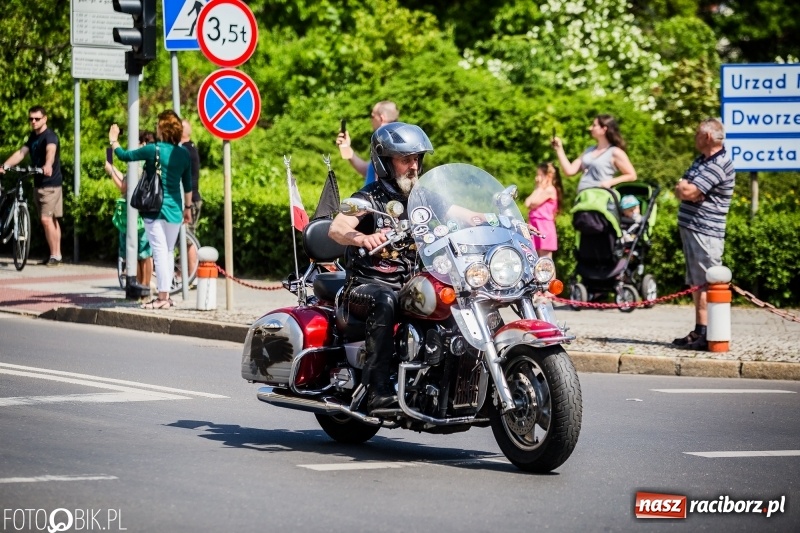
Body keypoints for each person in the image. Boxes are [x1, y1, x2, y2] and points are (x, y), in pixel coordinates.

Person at [328, 122, 433, 413]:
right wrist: (361, 236)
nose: (413, 166)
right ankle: (376, 390)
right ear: (385, 163)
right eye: (405, 159)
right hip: (365, 287)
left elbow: (457, 212)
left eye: (416, 159)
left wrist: (488, 218)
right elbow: (337, 228)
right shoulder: (369, 198)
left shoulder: (423, 197)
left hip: (412, 285)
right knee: (386, 301)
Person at [109, 110, 192, 310]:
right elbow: (187, 185)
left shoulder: (153, 149)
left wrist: (113, 140)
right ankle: (166, 296)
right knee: (169, 251)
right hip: (174, 209)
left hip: (154, 208)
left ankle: (163, 297)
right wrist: (187, 209)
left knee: (159, 251)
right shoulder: (184, 153)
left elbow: (125, 156)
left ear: (162, 129)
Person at [672, 118, 735, 351]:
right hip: (693, 227)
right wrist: (686, 188)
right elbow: (683, 187)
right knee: (696, 282)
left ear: (707, 137)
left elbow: (689, 190)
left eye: (697, 133)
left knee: (707, 282)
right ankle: (700, 329)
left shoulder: (719, 163)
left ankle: (709, 333)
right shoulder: (702, 161)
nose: (694, 137)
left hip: (706, 231)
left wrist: (689, 189)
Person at [0, 106, 63, 266]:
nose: (33, 122)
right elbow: (21, 153)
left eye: (37, 119)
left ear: (45, 119)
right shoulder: (33, 137)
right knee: (52, 220)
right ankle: (55, 255)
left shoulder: (50, 136)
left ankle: (55, 256)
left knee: (46, 219)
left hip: (50, 184)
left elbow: (51, 151)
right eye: (31, 119)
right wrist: (4, 166)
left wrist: (47, 165)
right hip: (39, 183)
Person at [106, 131, 155, 289]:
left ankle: (142, 288)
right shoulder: (148, 160)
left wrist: (111, 170)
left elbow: (124, 187)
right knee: (144, 253)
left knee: (139, 253)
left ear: (141, 143)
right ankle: (144, 287)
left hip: (136, 212)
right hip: (146, 209)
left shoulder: (138, 161)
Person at [551, 114, 637, 194]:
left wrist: (610, 182)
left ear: (604, 129)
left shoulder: (615, 152)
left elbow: (632, 175)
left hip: (600, 199)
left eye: (594, 125)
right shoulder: (589, 150)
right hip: (583, 198)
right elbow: (570, 171)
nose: (590, 128)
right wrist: (559, 149)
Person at [335, 100, 399, 184]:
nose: (371, 120)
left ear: (381, 118)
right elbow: (370, 172)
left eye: (372, 116)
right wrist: (347, 148)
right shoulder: (396, 137)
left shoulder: (384, 138)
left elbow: (380, 181)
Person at [524, 162, 562, 258]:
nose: (537, 178)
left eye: (540, 175)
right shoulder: (540, 190)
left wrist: (539, 188)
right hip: (534, 225)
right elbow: (527, 203)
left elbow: (533, 203)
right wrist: (538, 188)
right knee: (531, 258)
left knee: (545, 262)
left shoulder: (550, 190)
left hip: (544, 226)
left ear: (548, 176)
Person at [181, 119, 201, 284]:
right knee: (188, 237)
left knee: (188, 238)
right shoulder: (191, 148)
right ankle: (189, 275)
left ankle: (191, 276)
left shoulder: (185, 151)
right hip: (194, 198)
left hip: (190, 200)